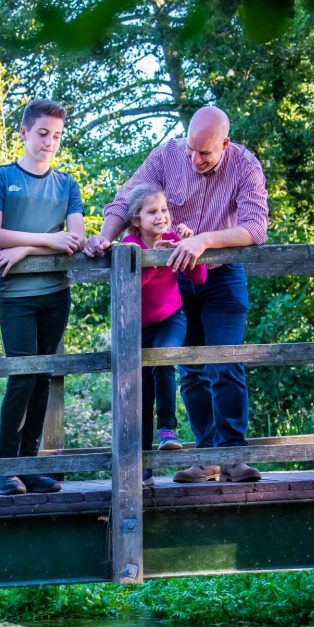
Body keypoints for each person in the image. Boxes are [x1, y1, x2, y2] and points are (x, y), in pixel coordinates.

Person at [85, 106, 269, 483]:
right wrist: (105, 237)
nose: (195, 159)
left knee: (225, 363)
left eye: (205, 153)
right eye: (191, 150)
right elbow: (126, 200)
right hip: (175, 277)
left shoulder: (245, 165)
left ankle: (232, 454)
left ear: (225, 144)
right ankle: (206, 459)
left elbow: (256, 227)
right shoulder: (167, 155)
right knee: (190, 369)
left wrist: (205, 240)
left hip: (221, 275)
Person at [0, 98, 86, 496]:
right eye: (42, 134)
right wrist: (47, 240)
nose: (49, 142)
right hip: (16, 296)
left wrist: (24, 248)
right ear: (24, 133)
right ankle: (6, 469)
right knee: (22, 377)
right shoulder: (2, 177)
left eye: (56, 136)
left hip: (56, 293)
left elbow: (73, 241)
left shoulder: (67, 185)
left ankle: (30, 466)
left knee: (43, 378)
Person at [120, 184, 207, 486]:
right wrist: (154, 260)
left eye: (165, 210)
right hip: (138, 326)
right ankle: (144, 468)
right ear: (136, 219)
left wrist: (189, 246)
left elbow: (199, 277)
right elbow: (134, 285)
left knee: (164, 360)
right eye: (153, 212)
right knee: (141, 388)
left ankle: (167, 429)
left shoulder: (173, 239)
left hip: (172, 318)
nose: (162, 217)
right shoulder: (130, 244)